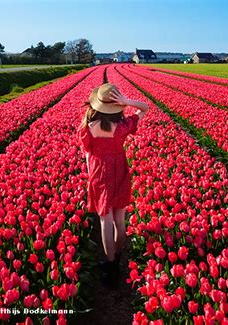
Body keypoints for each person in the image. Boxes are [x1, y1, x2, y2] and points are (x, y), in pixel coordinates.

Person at [78, 83, 149, 288]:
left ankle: (110, 266)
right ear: (116, 106)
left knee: (105, 222)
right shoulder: (123, 126)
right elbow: (145, 108)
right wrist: (127, 101)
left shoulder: (88, 128)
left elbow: (87, 153)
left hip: (99, 173)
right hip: (120, 171)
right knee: (120, 219)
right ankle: (117, 258)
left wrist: (91, 173)